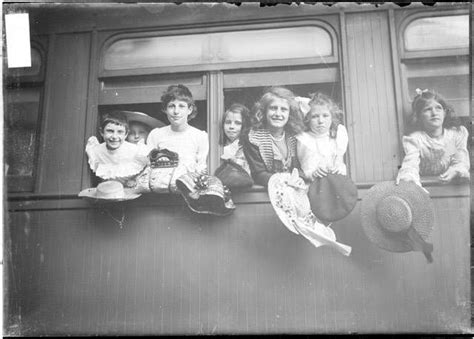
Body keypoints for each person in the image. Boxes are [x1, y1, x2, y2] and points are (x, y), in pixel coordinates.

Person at [396, 89, 470, 187]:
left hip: (450, 186)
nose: (434, 113)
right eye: (427, 109)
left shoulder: (453, 136)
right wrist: (410, 180)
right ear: (419, 116)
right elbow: (410, 165)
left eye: (438, 108)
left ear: (444, 113)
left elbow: (459, 160)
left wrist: (455, 170)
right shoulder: (415, 139)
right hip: (426, 186)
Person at [242, 86, 304, 187]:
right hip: (267, 193)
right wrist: (283, 181)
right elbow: (258, 174)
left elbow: (300, 167)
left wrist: (300, 179)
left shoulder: (294, 137)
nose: (278, 114)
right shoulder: (254, 138)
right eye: (273, 108)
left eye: (283, 109)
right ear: (264, 111)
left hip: (295, 190)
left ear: (290, 113)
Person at [147, 84, 209, 175]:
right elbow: (149, 165)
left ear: (190, 110)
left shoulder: (200, 136)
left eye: (181, 106)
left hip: (187, 185)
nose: (176, 111)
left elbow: (201, 167)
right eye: (171, 106)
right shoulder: (156, 134)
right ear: (165, 109)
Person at [85, 111, 150, 185]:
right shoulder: (96, 151)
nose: (114, 136)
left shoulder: (135, 150)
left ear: (126, 134)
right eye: (110, 131)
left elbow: (146, 168)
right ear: (101, 132)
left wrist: (136, 180)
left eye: (120, 132)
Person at [295, 93, 349, 182]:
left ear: (332, 117)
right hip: (313, 185)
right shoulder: (304, 139)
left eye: (325, 116)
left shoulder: (337, 136)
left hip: (335, 183)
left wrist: (338, 169)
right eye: (315, 116)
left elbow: (340, 162)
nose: (320, 121)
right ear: (307, 119)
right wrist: (312, 173)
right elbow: (303, 166)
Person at [219, 103, 251, 175]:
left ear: (244, 126)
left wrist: (234, 160)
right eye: (228, 122)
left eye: (237, 123)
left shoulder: (248, 148)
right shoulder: (219, 146)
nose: (231, 126)